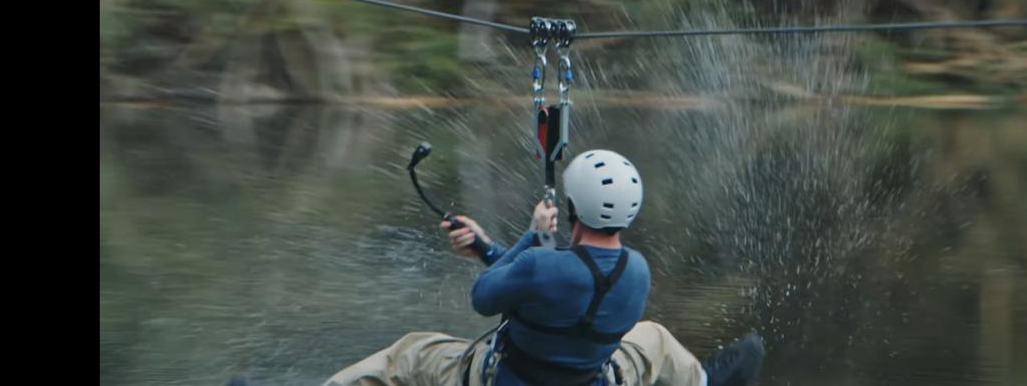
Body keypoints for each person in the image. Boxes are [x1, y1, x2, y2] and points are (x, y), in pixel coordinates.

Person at [324, 149, 764, 386]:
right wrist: (486, 248)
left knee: (409, 355)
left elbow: (486, 298)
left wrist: (530, 236)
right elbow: (554, 291)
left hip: (507, 379)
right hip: (595, 378)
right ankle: (704, 382)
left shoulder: (540, 262)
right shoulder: (638, 270)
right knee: (654, 339)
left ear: (573, 208)